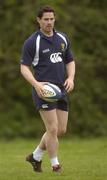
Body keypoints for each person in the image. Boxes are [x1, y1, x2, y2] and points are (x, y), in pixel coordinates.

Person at [20, 5, 75, 173]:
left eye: (51, 19)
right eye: (46, 19)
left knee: (60, 130)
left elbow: (70, 61)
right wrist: (36, 85)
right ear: (38, 20)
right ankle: (55, 165)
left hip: (61, 89)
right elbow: (24, 67)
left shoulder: (62, 38)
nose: (49, 22)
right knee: (52, 128)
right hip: (43, 90)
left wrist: (71, 78)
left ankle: (35, 156)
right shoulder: (32, 42)